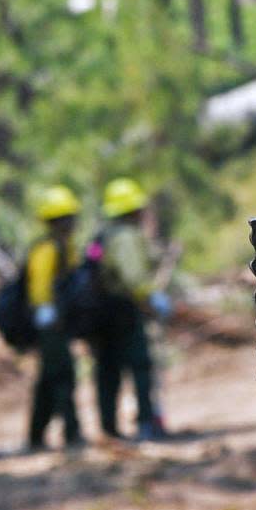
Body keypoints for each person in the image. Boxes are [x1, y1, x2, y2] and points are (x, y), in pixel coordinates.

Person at [94, 177, 172, 441]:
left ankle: (109, 428)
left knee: (108, 371)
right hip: (123, 313)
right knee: (140, 366)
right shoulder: (126, 238)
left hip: (104, 315)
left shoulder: (105, 236)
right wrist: (150, 300)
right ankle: (147, 424)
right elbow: (134, 278)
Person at [26, 185, 84, 450]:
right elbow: (39, 289)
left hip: (59, 322)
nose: (73, 222)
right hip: (49, 325)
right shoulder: (46, 249)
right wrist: (47, 312)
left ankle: (36, 436)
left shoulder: (65, 247)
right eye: (68, 217)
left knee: (49, 380)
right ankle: (71, 433)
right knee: (62, 376)